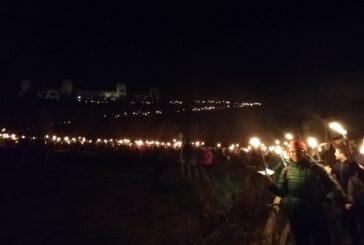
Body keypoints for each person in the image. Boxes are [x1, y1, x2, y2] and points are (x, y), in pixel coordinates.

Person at [264, 140, 342, 245]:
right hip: (297, 215)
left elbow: (333, 186)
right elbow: (282, 192)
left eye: (298, 151)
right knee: (302, 241)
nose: (295, 154)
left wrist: (327, 199)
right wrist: (270, 185)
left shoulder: (317, 168)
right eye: (291, 152)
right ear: (288, 153)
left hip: (316, 213)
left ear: (304, 152)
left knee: (321, 240)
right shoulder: (286, 171)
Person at [332, 146, 361, 245]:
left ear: (341, 153)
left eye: (336, 152)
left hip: (353, 198)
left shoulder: (351, 165)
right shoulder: (336, 166)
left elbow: (357, 180)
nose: (334, 154)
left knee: (356, 222)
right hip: (342, 198)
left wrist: (351, 199)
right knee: (348, 224)